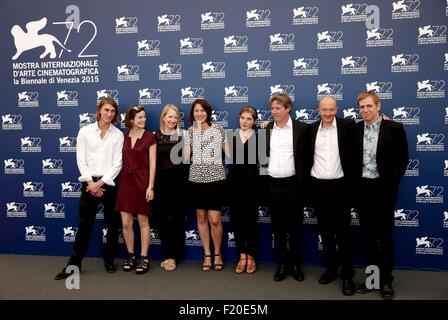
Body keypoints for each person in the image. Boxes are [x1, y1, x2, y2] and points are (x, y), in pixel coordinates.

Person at [347, 92, 408, 300]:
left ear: (378, 106)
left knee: (385, 237)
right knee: (369, 238)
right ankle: (372, 280)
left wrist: (390, 186)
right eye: (361, 107)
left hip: (384, 190)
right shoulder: (354, 129)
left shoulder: (395, 128)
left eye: (369, 106)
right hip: (362, 190)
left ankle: (386, 281)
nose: (365, 110)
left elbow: (402, 161)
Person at [55, 97, 124, 280]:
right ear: (99, 111)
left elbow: (117, 164)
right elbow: (81, 160)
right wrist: (90, 183)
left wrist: (100, 183)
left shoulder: (118, 135)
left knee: (111, 224)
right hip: (88, 182)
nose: (109, 114)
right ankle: (74, 265)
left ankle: (109, 260)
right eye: (106, 110)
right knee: (85, 224)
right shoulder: (85, 132)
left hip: (108, 184)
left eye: (113, 111)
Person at [308, 96, 355, 295]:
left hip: (340, 188)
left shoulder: (348, 126)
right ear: (318, 110)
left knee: (344, 234)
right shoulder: (310, 130)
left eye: (331, 109)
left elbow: (368, 130)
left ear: (337, 109)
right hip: (318, 188)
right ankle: (330, 269)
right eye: (324, 110)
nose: (328, 113)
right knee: (325, 232)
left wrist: (384, 121)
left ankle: (347, 276)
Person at [263, 92, 310, 282]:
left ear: (288, 108)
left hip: (294, 185)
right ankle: (282, 264)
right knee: (278, 228)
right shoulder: (267, 130)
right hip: (273, 184)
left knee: (296, 227)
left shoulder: (302, 129)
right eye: (272, 108)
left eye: (278, 108)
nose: (274, 112)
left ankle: (295, 264)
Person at [184, 99, 229, 271]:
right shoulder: (190, 133)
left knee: (215, 219)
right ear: (193, 114)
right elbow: (187, 158)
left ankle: (218, 253)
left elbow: (230, 153)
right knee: (201, 218)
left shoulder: (218, 130)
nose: (199, 114)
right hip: (196, 179)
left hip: (216, 179)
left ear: (208, 112)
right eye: (196, 111)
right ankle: (207, 254)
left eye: (202, 110)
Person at [115, 105, 156, 275]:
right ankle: (131, 256)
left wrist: (150, 186)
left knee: (143, 222)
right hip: (125, 181)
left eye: (144, 117)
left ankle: (144, 257)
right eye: (139, 117)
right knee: (125, 223)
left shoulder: (150, 138)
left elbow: (153, 164)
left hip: (142, 181)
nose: (143, 120)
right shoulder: (122, 137)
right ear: (131, 120)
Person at [154, 104, 187, 272]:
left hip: (179, 183)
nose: (173, 120)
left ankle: (173, 257)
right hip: (160, 183)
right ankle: (167, 254)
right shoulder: (155, 136)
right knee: (162, 220)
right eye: (170, 116)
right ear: (164, 117)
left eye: (176, 117)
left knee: (177, 220)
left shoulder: (183, 135)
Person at [227, 106, 259, 274]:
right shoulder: (230, 137)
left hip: (252, 187)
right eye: (242, 118)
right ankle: (242, 256)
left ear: (254, 121)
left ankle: (251, 256)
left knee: (250, 223)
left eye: (249, 119)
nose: (245, 121)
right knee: (238, 222)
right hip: (235, 186)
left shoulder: (260, 137)